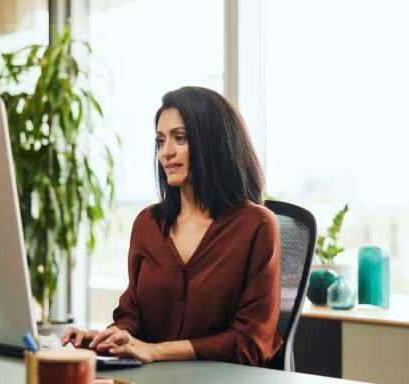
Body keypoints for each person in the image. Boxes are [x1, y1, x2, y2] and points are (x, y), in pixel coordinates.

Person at [61, 86, 282, 366]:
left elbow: (250, 342)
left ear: (213, 143)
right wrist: (107, 338)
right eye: (161, 141)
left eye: (180, 138)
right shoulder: (147, 224)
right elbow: (132, 316)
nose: (166, 152)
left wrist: (155, 351)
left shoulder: (257, 226)